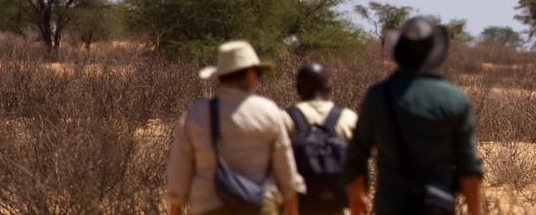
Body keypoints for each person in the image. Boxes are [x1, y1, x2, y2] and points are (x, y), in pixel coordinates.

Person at [342, 16, 484, 215]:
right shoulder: (454, 98)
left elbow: (357, 156)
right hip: (437, 206)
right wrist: (475, 211)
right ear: (433, 52)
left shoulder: (378, 96)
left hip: (390, 206)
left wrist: (357, 198)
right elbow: (468, 165)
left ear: (400, 50)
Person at [167, 41, 307, 215]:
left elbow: (178, 173)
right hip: (259, 207)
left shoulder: (196, 114)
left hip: (208, 207)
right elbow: (286, 173)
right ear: (250, 73)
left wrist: (175, 208)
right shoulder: (268, 111)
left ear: (220, 76)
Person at [283, 63, 359, 214]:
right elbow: (358, 164)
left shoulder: (284, 118)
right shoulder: (348, 118)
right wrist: (358, 199)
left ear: (298, 88)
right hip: (338, 204)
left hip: (299, 205)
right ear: (329, 88)